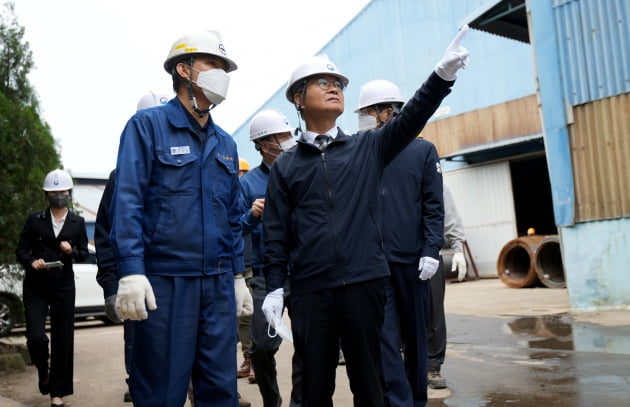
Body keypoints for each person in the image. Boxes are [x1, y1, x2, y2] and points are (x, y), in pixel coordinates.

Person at [261, 26, 470, 407]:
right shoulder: (287, 166)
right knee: (313, 387)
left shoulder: (367, 148)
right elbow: (275, 234)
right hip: (311, 290)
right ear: (298, 98)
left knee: (371, 383)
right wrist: (275, 286)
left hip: (365, 283)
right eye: (322, 82)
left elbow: (412, 119)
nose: (334, 87)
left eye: (338, 82)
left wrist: (442, 76)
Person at [109, 30, 253, 407]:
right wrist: (131, 270)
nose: (222, 73)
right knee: (161, 392)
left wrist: (238, 276)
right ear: (185, 70)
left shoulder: (226, 143)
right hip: (167, 282)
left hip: (218, 283)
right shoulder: (146, 127)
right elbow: (128, 202)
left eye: (225, 67)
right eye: (214, 64)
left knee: (222, 391)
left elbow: (233, 217)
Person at [355, 79, 444, 407]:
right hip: (376, 263)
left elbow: (434, 205)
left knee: (416, 336)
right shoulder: (363, 150)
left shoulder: (423, 150)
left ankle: (416, 398)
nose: (363, 118)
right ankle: (398, 401)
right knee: (385, 338)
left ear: (388, 112)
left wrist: (432, 249)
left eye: (368, 112)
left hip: (413, 261)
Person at [94, 91, 170, 403]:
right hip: (137, 279)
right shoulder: (120, 176)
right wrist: (112, 285)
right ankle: (136, 383)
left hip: (179, 278)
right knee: (138, 345)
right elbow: (105, 234)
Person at [240, 108, 302, 407]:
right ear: (265, 143)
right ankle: (271, 400)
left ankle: (299, 402)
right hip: (265, 276)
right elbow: (235, 226)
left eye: (291, 134)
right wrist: (252, 214)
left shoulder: (304, 170)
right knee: (262, 347)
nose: (289, 141)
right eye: (283, 136)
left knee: (309, 343)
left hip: (304, 271)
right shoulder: (247, 184)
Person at [16, 169, 89, 407]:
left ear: (68, 193)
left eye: (62, 191)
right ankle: (43, 369)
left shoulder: (77, 222)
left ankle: (57, 395)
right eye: (53, 192)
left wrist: (71, 251)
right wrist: (31, 261)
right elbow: (21, 250)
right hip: (36, 285)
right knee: (36, 337)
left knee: (63, 340)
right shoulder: (34, 219)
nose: (58, 195)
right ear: (47, 195)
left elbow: (83, 254)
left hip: (63, 286)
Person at [427, 184, 467, 389]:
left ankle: (433, 366)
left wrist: (458, 247)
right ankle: (404, 364)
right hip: (396, 257)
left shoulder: (435, 180)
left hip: (430, 255)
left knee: (433, 312)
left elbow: (448, 214)